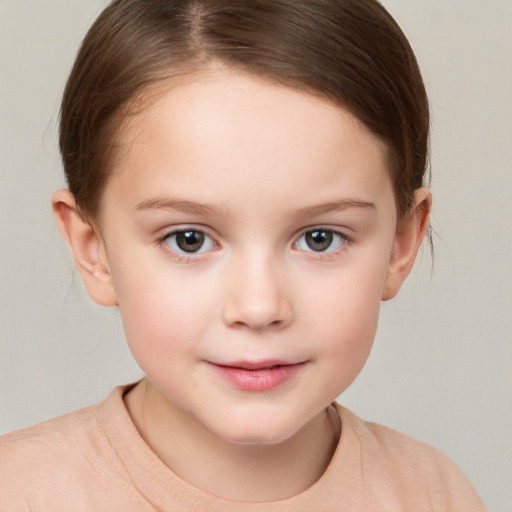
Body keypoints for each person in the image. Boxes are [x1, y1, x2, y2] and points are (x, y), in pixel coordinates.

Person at [0, 0, 488, 509]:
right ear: (92, 248)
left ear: (400, 244)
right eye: (188, 239)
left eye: (319, 238)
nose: (259, 308)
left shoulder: (434, 494)